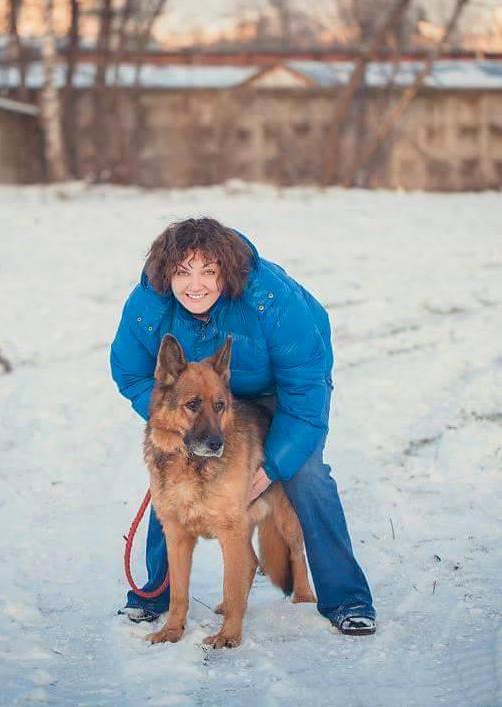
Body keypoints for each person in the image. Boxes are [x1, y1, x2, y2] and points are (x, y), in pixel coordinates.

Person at [110, 217, 376, 636]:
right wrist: (170, 421)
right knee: (173, 477)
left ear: (227, 270)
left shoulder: (272, 300)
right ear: (165, 274)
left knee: (305, 475)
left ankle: (347, 598)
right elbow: (129, 371)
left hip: (280, 389)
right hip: (199, 394)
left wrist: (272, 467)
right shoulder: (148, 303)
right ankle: (154, 596)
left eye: (208, 271)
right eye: (183, 272)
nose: (195, 286)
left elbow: (306, 396)